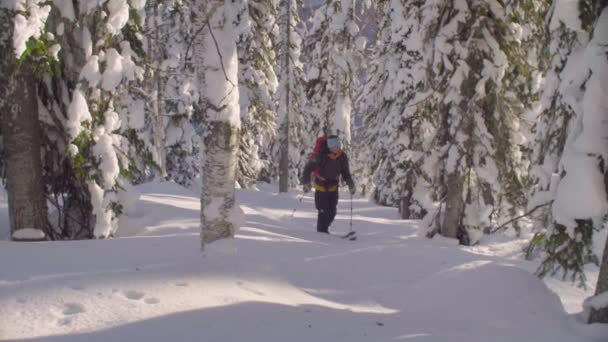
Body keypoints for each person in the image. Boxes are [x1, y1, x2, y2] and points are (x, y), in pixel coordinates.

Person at [301, 135, 356, 233]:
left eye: (339, 145)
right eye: (335, 145)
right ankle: (322, 234)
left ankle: (323, 231)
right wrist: (306, 183)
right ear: (330, 146)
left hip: (333, 188)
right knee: (323, 212)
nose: (338, 147)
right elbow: (308, 169)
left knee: (332, 213)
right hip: (321, 188)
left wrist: (351, 184)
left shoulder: (342, 157)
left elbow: (345, 173)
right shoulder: (321, 156)